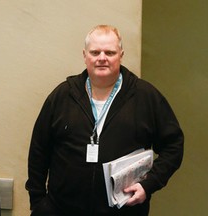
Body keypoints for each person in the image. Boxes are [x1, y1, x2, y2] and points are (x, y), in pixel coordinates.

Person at [25, 25, 184, 216]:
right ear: (85, 55)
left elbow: (173, 145)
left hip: (123, 211)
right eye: (95, 52)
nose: (102, 58)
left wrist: (148, 185)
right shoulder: (63, 95)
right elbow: (38, 150)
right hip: (62, 210)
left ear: (121, 55)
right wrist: (38, 202)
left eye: (109, 52)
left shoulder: (145, 97)